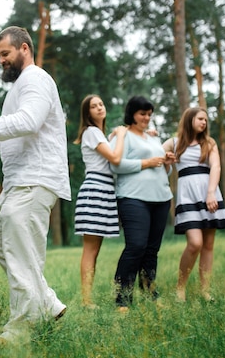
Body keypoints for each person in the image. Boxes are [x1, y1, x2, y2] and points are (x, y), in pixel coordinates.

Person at [0, 26, 71, 344]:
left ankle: (21, 329)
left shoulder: (35, 78)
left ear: (24, 48)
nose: (1, 61)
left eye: (5, 54)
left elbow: (29, 122)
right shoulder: (18, 87)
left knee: (21, 253)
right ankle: (47, 302)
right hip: (17, 182)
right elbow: (5, 136)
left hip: (36, 178)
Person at [109, 95, 175, 312]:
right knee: (136, 246)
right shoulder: (122, 135)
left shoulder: (153, 138)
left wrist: (167, 162)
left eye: (149, 114)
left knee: (151, 250)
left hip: (161, 197)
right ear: (132, 114)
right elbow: (115, 166)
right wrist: (146, 163)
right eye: (142, 114)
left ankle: (149, 293)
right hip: (133, 197)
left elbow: (163, 169)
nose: (146, 118)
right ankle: (122, 299)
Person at [162, 107, 225, 302]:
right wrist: (165, 157)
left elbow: (216, 166)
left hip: (209, 192)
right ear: (190, 119)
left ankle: (205, 291)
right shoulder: (174, 143)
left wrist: (211, 192)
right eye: (201, 119)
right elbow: (155, 153)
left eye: (206, 120)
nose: (204, 123)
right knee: (195, 243)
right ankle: (180, 288)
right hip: (187, 195)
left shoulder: (209, 143)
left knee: (208, 245)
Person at [73, 94, 125, 309]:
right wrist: (121, 135)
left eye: (101, 104)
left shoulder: (99, 134)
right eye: (94, 106)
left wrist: (116, 135)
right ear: (88, 113)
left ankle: (88, 298)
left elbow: (111, 151)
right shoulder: (92, 132)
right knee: (91, 249)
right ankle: (86, 300)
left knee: (96, 248)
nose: (99, 108)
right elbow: (115, 158)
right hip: (95, 188)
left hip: (104, 189)